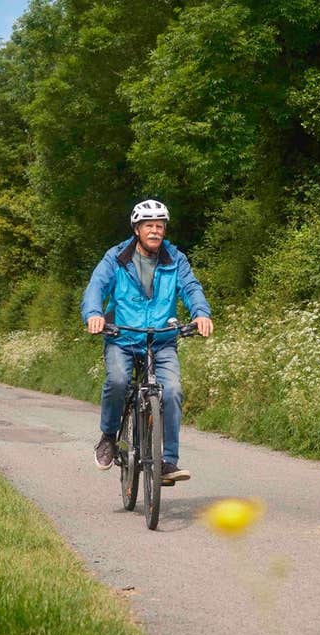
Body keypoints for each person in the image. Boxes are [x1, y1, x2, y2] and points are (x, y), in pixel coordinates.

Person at [82, 199, 213, 483]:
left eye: (160, 225)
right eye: (149, 225)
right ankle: (108, 437)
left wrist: (201, 313)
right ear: (137, 229)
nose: (155, 231)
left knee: (173, 391)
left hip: (161, 340)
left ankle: (167, 461)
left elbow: (190, 288)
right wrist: (94, 314)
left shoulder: (175, 258)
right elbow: (97, 286)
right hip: (123, 337)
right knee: (118, 381)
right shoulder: (116, 258)